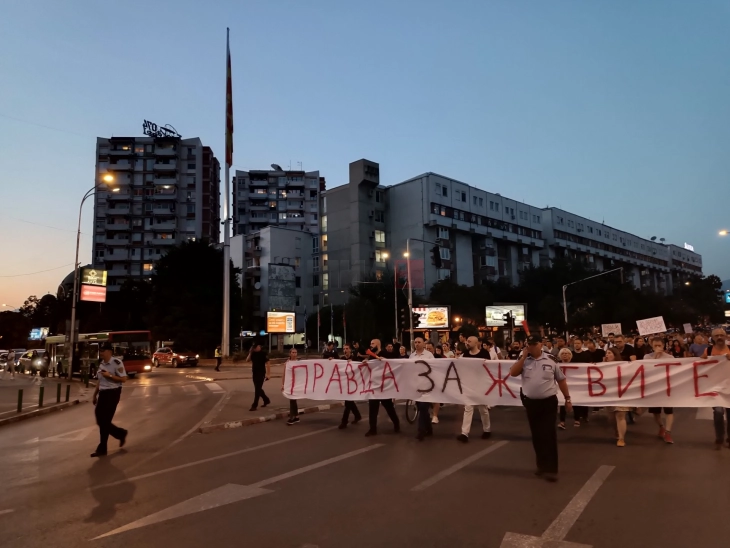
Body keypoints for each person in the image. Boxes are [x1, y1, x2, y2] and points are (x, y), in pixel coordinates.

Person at [510, 335, 572, 482]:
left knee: (548, 434)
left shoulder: (551, 360)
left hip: (548, 402)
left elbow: (561, 380)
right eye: (528, 344)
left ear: (540, 345)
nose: (530, 346)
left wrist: (568, 398)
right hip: (531, 403)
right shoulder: (524, 360)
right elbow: (513, 372)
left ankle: (551, 469)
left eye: (533, 344)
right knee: (537, 435)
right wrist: (523, 357)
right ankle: (541, 465)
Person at [90, 342, 128, 458]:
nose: (101, 353)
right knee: (100, 420)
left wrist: (110, 376)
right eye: (100, 351)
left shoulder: (117, 363)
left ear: (110, 352)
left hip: (113, 393)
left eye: (103, 351)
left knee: (105, 421)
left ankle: (102, 448)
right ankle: (121, 433)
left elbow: (124, 379)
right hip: (103, 394)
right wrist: (94, 394)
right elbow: (100, 381)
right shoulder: (101, 364)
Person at [457, 336, 492, 443]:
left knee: (483, 409)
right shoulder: (466, 354)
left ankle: (487, 430)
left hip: (481, 385)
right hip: (469, 385)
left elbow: (489, 368)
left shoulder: (484, 354)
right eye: (467, 341)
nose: (467, 343)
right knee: (468, 408)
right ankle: (464, 433)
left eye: (469, 341)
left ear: (476, 343)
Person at [363, 341, 400, 437]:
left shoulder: (386, 354)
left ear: (378, 344)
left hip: (384, 387)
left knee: (389, 408)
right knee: (372, 409)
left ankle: (396, 424)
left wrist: (386, 360)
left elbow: (395, 364)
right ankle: (372, 429)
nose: (371, 345)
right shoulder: (371, 356)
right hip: (374, 387)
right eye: (370, 343)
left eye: (372, 343)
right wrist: (365, 363)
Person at [701, 328, 730, 449]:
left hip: (729, 387)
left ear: (726, 337)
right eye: (716, 335)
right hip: (715, 387)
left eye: (721, 335)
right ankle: (719, 438)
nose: (719, 337)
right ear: (712, 338)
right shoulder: (707, 350)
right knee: (718, 413)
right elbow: (698, 365)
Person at [644, 337, 676, 444]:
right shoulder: (647, 357)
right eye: (655, 346)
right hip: (653, 388)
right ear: (652, 346)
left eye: (659, 345)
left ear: (663, 345)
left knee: (668, 411)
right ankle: (661, 426)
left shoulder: (670, 357)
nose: (657, 347)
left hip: (666, 388)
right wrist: (656, 357)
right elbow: (647, 369)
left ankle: (668, 432)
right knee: (656, 412)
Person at [602, 347, 631, 447]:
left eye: (609, 353)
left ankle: (621, 438)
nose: (607, 355)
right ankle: (617, 431)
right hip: (609, 394)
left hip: (622, 394)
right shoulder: (603, 366)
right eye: (606, 353)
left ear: (615, 355)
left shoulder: (624, 365)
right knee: (611, 418)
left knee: (620, 415)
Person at [409, 336, 435, 441]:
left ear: (424, 344)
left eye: (419, 342)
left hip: (427, 386)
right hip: (417, 386)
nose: (417, 344)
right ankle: (429, 429)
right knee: (421, 408)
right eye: (415, 342)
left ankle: (421, 431)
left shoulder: (429, 355)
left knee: (424, 407)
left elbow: (434, 368)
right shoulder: (412, 356)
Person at [338, 344, 362, 428]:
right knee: (350, 402)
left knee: (348, 403)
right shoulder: (342, 359)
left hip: (353, 384)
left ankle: (344, 422)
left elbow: (360, 368)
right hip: (345, 384)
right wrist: (330, 360)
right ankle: (358, 416)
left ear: (350, 350)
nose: (345, 350)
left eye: (347, 348)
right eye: (344, 349)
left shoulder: (355, 359)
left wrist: (353, 363)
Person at [557, 348, 578, 430]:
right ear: (560, 356)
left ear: (570, 355)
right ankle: (562, 421)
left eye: (567, 353)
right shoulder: (557, 365)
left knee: (576, 401)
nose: (565, 355)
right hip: (562, 386)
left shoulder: (576, 365)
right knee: (562, 402)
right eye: (563, 353)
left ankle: (577, 419)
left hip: (573, 386)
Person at [246, 343, 271, 411]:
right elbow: (247, 360)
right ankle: (266, 400)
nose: (258, 347)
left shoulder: (263, 353)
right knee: (258, 389)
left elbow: (268, 363)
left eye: (258, 346)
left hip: (261, 373)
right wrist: (250, 352)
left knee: (257, 390)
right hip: (254, 373)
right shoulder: (253, 354)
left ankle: (254, 405)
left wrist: (268, 374)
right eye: (255, 347)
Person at [283, 348, 300, 425]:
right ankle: (296, 416)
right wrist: (283, 384)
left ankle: (292, 417)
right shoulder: (287, 363)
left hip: (296, 384)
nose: (294, 354)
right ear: (289, 353)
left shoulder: (299, 363)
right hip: (289, 384)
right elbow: (284, 374)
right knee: (292, 400)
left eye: (295, 352)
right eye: (293, 352)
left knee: (292, 400)